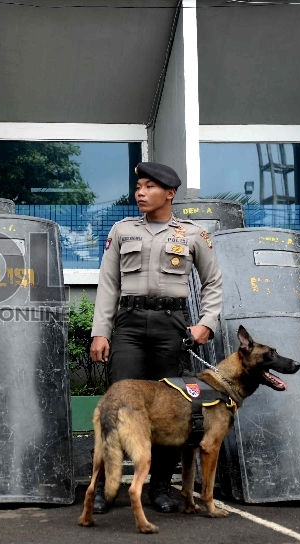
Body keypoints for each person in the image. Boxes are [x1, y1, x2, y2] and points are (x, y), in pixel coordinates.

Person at [89, 162, 223, 514]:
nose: (140, 193)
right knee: (119, 407)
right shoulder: (122, 231)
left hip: (172, 325)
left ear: (170, 193)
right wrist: (101, 331)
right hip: (130, 325)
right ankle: (106, 488)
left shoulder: (192, 234)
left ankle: (161, 488)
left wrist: (206, 323)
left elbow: (212, 283)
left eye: (149, 187)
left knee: (171, 409)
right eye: (139, 187)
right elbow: (108, 285)